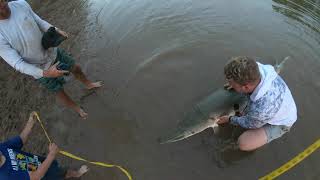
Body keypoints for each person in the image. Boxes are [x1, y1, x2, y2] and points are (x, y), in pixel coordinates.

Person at [0, 0, 102, 119]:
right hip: (39, 68)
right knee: (59, 91)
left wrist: (56, 30)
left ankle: (88, 84)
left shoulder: (21, 4)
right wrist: (45, 73)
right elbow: (17, 63)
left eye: (3, 0)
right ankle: (77, 108)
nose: (3, 5)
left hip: (52, 52)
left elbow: (39, 22)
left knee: (75, 68)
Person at [217, 56, 297, 151]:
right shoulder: (256, 68)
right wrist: (234, 85)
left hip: (281, 123)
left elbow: (250, 124)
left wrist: (230, 119)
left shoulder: (261, 108)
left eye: (232, 83)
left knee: (243, 143)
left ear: (246, 87)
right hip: (271, 108)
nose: (229, 84)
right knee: (244, 106)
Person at [0, 111, 89, 179]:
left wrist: (30, 123)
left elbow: (20, 139)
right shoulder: (6, 176)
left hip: (39, 163)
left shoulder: (1, 149)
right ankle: (77, 174)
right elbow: (36, 177)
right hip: (42, 176)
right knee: (59, 173)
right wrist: (51, 155)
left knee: (61, 171)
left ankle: (76, 174)